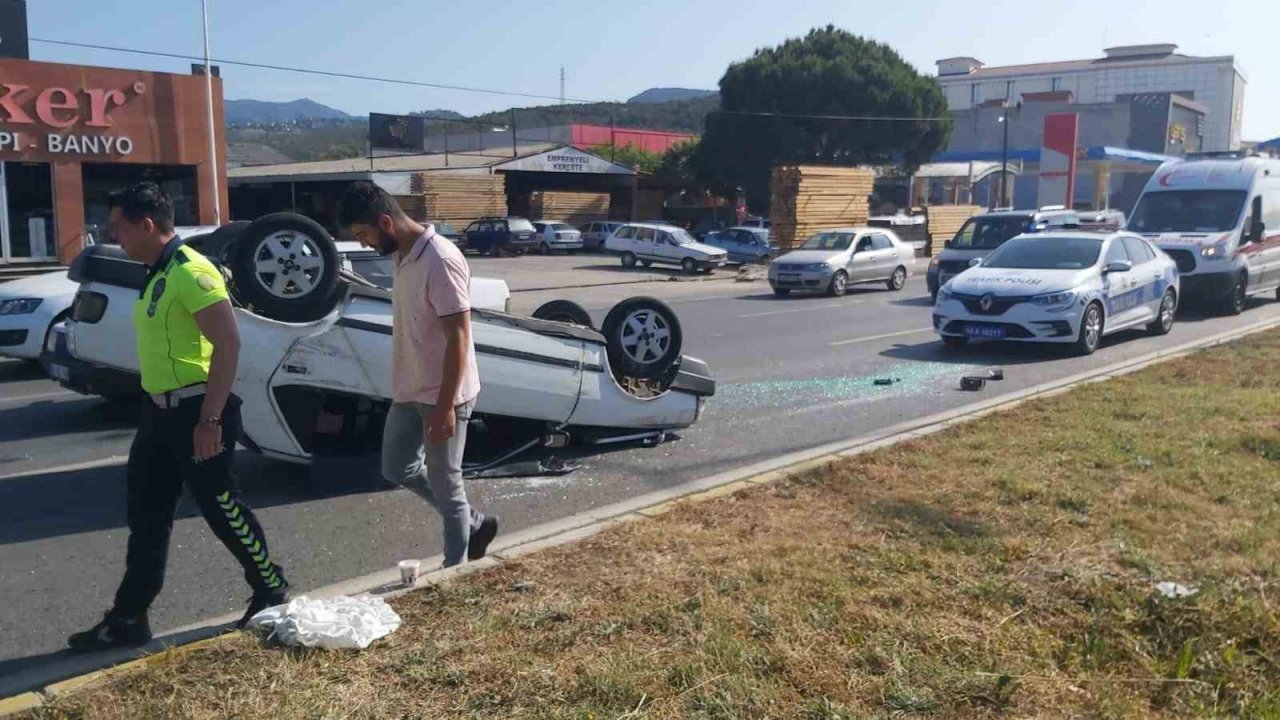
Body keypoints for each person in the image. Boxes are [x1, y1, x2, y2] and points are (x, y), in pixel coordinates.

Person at [69, 182, 289, 652]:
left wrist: (209, 420)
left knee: (221, 506)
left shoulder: (192, 272)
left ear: (147, 225)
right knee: (146, 515)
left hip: (197, 410)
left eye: (119, 227)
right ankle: (129, 617)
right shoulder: (158, 272)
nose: (114, 237)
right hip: (158, 413)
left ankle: (270, 587)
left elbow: (228, 343)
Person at [337, 181, 498, 568]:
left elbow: (459, 337)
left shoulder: (439, 260)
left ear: (385, 222)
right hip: (411, 389)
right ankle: (475, 524)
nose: (363, 244)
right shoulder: (403, 254)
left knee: (447, 483)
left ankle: (454, 571)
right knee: (396, 467)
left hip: (445, 394)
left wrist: (445, 407)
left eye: (362, 235)